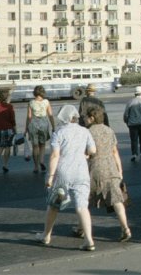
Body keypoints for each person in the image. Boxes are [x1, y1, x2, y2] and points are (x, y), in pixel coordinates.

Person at [35, 105, 97, 251]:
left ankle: (46, 235)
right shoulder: (85, 131)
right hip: (81, 172)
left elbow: (55, 155)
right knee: (82, 206)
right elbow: (93, 150)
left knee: (54, 205)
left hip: (63, 172)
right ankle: (89, 240)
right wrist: (85, 155)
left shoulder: (59, 132)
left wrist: (50, 176)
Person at [86, 106, 131, 242]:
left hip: (95, 169)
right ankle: (125, 229)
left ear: (92, 118)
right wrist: (120, 170)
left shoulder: (88, 132)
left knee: (85, 201)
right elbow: (114, 152)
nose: (85, 119)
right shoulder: (109, 130)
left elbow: (88, 153)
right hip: (111, 168)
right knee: (117, 200)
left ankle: (81, 228)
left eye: (86, 117)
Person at [25, 85, 55, 174]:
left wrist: (26, 129)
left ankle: (36, 166)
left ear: (34, 93)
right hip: (44, 125)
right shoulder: (46, 102)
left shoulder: (31, 103)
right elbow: (50, 115)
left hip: (33, 124)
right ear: (43, 92)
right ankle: (41, 161)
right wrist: (53, 127)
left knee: (35, 146)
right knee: (42, 145)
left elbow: (29, 117)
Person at [123, 86, 141, 162]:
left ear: (135, 94)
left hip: (133, 124)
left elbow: (126, 114)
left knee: (134, 140)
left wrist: (126, 121)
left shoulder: (130, 102)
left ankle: (134, 154)